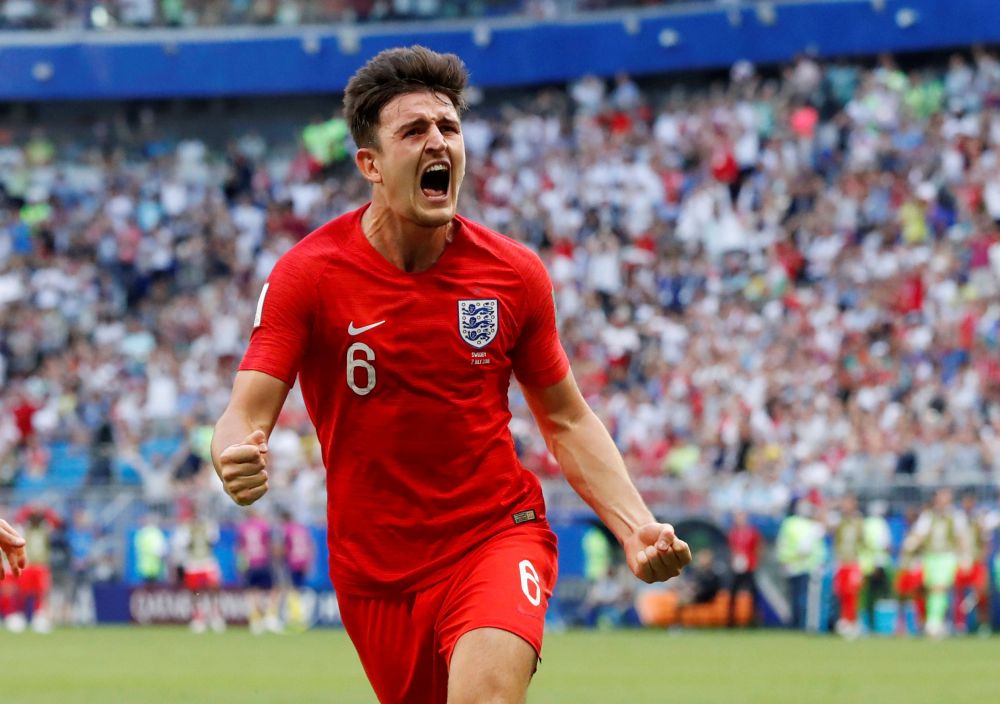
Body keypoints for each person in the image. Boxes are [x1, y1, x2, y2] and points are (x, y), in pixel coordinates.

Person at [212, 45, 691, 704]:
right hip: (374, 572)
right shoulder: (309, 274)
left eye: (449, 127)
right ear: (370, 165)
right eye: (414, 131)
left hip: (495, 533)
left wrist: (634, 524)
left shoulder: (514, 275)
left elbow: (568, 419)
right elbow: (246, 411)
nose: (439, 141)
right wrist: (231, 455)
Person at [726, 509, 761, 627]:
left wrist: (753, 562)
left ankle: (753, 620)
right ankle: (731, 620)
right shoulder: (733, 533)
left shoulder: (752, 532)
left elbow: (757, 548)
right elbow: (732, 549)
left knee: (753, 593)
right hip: (737, 566)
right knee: (733, 593)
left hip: (749, 566)